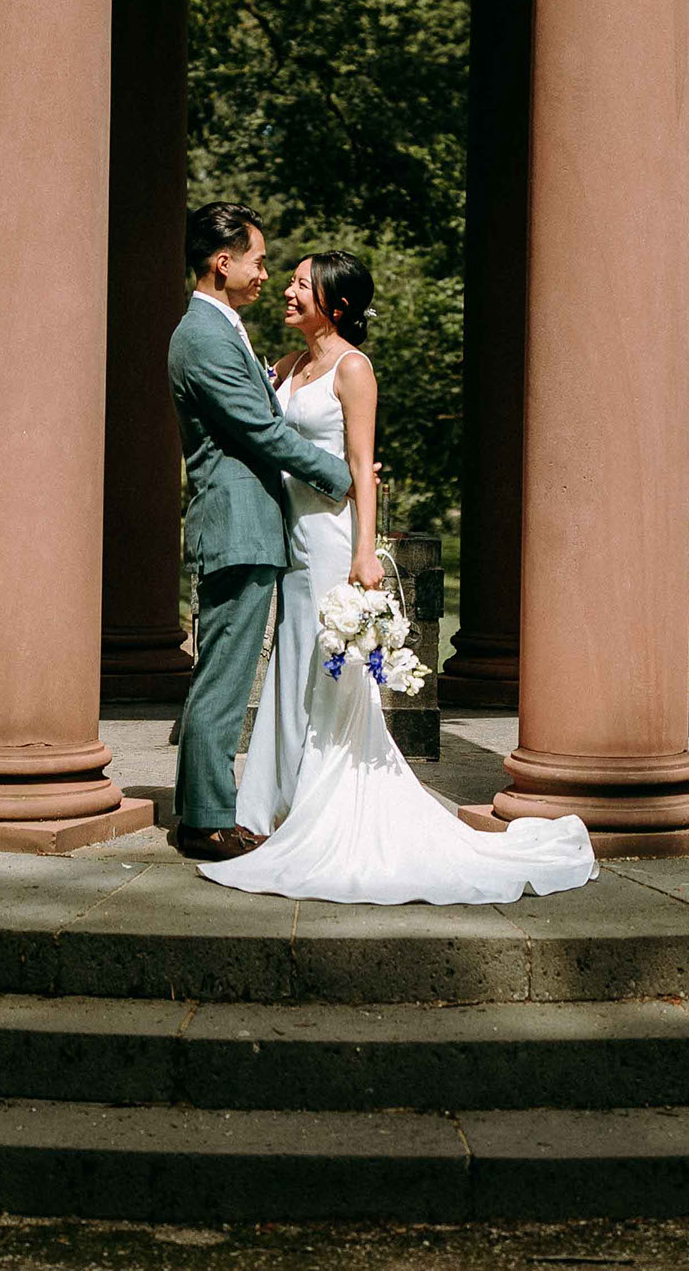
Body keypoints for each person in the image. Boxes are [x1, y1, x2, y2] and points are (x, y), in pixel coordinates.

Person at [203, 250, 598, 905]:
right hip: (289, 540)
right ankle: (269, 804)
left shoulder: (353, 370)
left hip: (331, 541)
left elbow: (362, 469)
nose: (291, 291)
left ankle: (319, 808)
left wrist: (365, 554)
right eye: (293, 280)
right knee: (290, 664)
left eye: (303, 283)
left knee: (331, 670)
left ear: (337, 301)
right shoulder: (288, 366)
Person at [166, 203, 354, 862]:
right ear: (223, 263)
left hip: (249, 522)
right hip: (237, 521)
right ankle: (207, 821)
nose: (265, 273)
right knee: (224, 674)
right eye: (259, 261)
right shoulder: (205, 336)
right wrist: (342, 474)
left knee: (224, 669)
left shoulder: (225, 328)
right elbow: (261, 430)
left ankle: (203, 806)